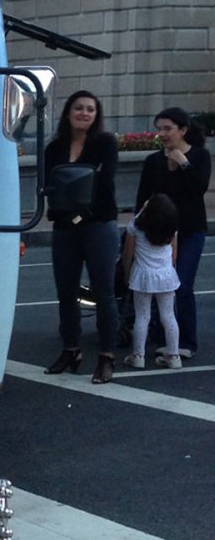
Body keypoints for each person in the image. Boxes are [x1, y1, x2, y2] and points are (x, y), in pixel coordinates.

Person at [43, 90, 120, 384]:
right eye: (79, 108)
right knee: (66, 293)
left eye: (90, 109)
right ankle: (71, 349)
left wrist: (78, 186)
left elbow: (105, 180)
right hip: (64, 226)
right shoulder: (55, 148)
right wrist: (86, 179)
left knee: (104, 293)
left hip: (99, 224)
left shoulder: (105, 143)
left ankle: (106, 356)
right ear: (68, 112)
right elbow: (50, 185)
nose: (85, 113)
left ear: (96, 114)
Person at [134, 107, 211, 359]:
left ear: (183, 130)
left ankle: (185, 341)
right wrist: (136, 233)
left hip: (190, 230)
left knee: (182, 284)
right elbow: (143, 198)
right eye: (159, 129)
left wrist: (184, 164)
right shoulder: (153, 161)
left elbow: (198, 188)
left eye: (168, 128)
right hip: (159, 235)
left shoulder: (199, 156)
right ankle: (160, 337)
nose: (162, 134)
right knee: (157, 285)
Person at [121, 194, 181, 369]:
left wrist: (126, 273)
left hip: (142, 275)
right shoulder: (171, 228)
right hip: (165, 274)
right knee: (168, 315)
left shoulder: (136, 227)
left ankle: (138, 355)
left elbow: (128, 254)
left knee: (142, 316)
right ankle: (174, 355)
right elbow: (174, 254)